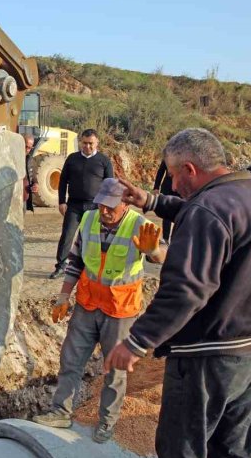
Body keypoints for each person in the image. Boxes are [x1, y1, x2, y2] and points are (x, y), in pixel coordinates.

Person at [104, 128, 251, 458]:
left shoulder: (208, 211)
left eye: (172, 176)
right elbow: (198, 208)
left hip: (210, 357)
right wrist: (148, 200)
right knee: (233, 454)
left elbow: (186, 290)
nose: (172, 185)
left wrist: (136, 341)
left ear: (189, 168)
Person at [33, 178, 166, 443]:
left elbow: (164, 254)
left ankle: (107, 421)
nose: (105, 211)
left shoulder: (139, 225)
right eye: (101, 205)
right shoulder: (89, 220)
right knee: (70, 360)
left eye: (111, 207)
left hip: (120, 309)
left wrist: (154, 252)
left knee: (114, 369)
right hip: (87, 303)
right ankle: (61, 411)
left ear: (125, 204)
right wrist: (63, 296)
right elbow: (76, 261)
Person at [50, 129, 114, 278]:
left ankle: (91, 267)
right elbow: (63, 181)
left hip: (95, 206)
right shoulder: (72, 159)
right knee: (67, 235)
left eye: (91, 143)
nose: (87, 146)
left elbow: (110, 185)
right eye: (84, 143)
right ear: (80, 142)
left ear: (97, 142)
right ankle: (60, 266)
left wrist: (106, 206)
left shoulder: (104, 161)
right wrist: (61, 201)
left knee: (94, 237)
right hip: (73, 205)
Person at [152, 159, 180, 243]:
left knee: (179, 214)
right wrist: (156, 187)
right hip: (167, 188)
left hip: (180, 189)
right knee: (166, 213)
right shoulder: (168, 155)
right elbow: (161, 171)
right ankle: (166, 238)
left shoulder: (186, 155)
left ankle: (176, 238)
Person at [23, 134, 38, 212]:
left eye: (29, 148)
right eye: (26, 146)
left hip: (24, 199)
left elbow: (33, 176)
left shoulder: (29, 160)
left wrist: (35, 184)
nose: (27, 150)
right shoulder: (11, 159)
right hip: (13, 199)